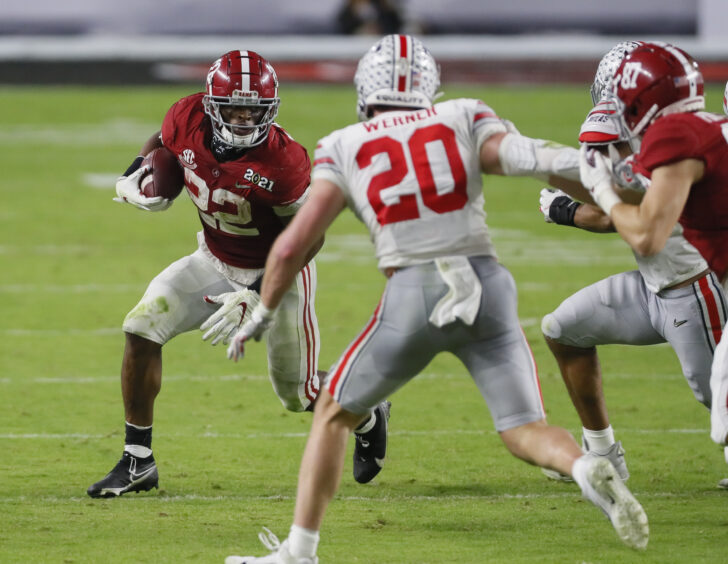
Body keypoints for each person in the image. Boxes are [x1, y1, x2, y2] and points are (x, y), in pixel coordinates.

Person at [223, 34, 649, 563]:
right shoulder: (463, 116)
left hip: (416, 291)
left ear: (365, 88)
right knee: (524, 429)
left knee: (332, 412)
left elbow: (292, 244)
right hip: (488, 286)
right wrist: (617, 190)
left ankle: (299, 553)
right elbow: (537, 159)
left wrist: (262, 311)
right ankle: (583, 467)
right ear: (429, 87)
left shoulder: (345, 143)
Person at [87, 50, 390, 498]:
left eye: (255, 108)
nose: (245, 117)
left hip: (278, 276)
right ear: (211, 106)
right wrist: (137, 170)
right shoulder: (186, 115)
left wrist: (255, 292)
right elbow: (164, 140)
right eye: (234, 107)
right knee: (140, 327)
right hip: (211, 259)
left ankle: (368, 412)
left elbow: (309, 238)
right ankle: (138, 460)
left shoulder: (284, 161)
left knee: (298, 395)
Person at [538, 41, 727, 486]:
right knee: (563, 329)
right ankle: (603, 453)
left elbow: (625, 218)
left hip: (692, 284)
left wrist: (565, 207)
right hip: (652, 284)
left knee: (716, 398)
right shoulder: (676, 130)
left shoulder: (680, 140)